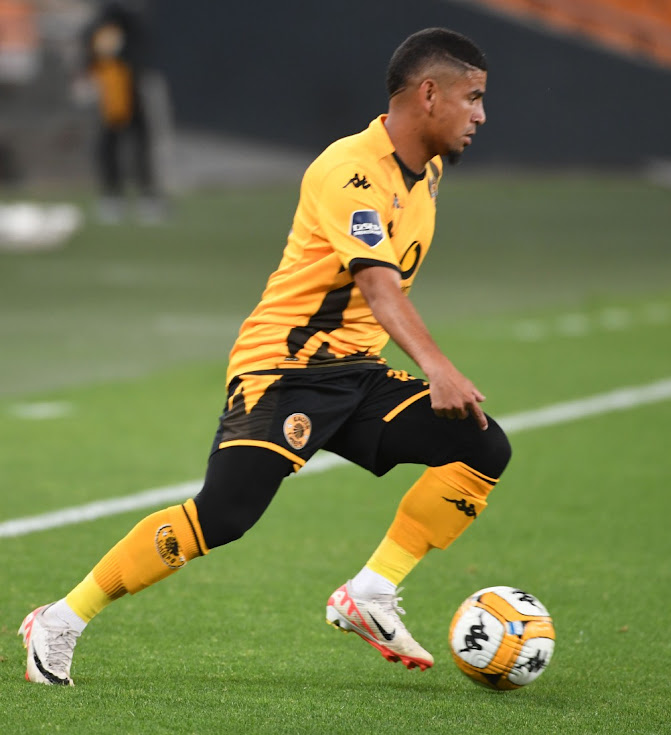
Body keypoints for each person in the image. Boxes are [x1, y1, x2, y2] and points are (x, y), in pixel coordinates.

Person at [19, 27, 511, 686]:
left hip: (355, 374)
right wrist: (438, 365)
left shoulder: (428, 169)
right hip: (285, 370)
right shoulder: (351, 169)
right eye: (472, 97)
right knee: (222, 515)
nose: (481, 114)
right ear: (428, 95)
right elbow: (376, 282)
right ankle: (59, 619)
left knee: (482, 446)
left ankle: (369, 592)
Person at [77, 1, 164, 223]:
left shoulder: (129, 16)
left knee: (136, 142)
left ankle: (141, 195)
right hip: (115, 87)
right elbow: (98, 45)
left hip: (129, 85)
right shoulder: (112, 17)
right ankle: (118, 196)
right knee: (116, 142)